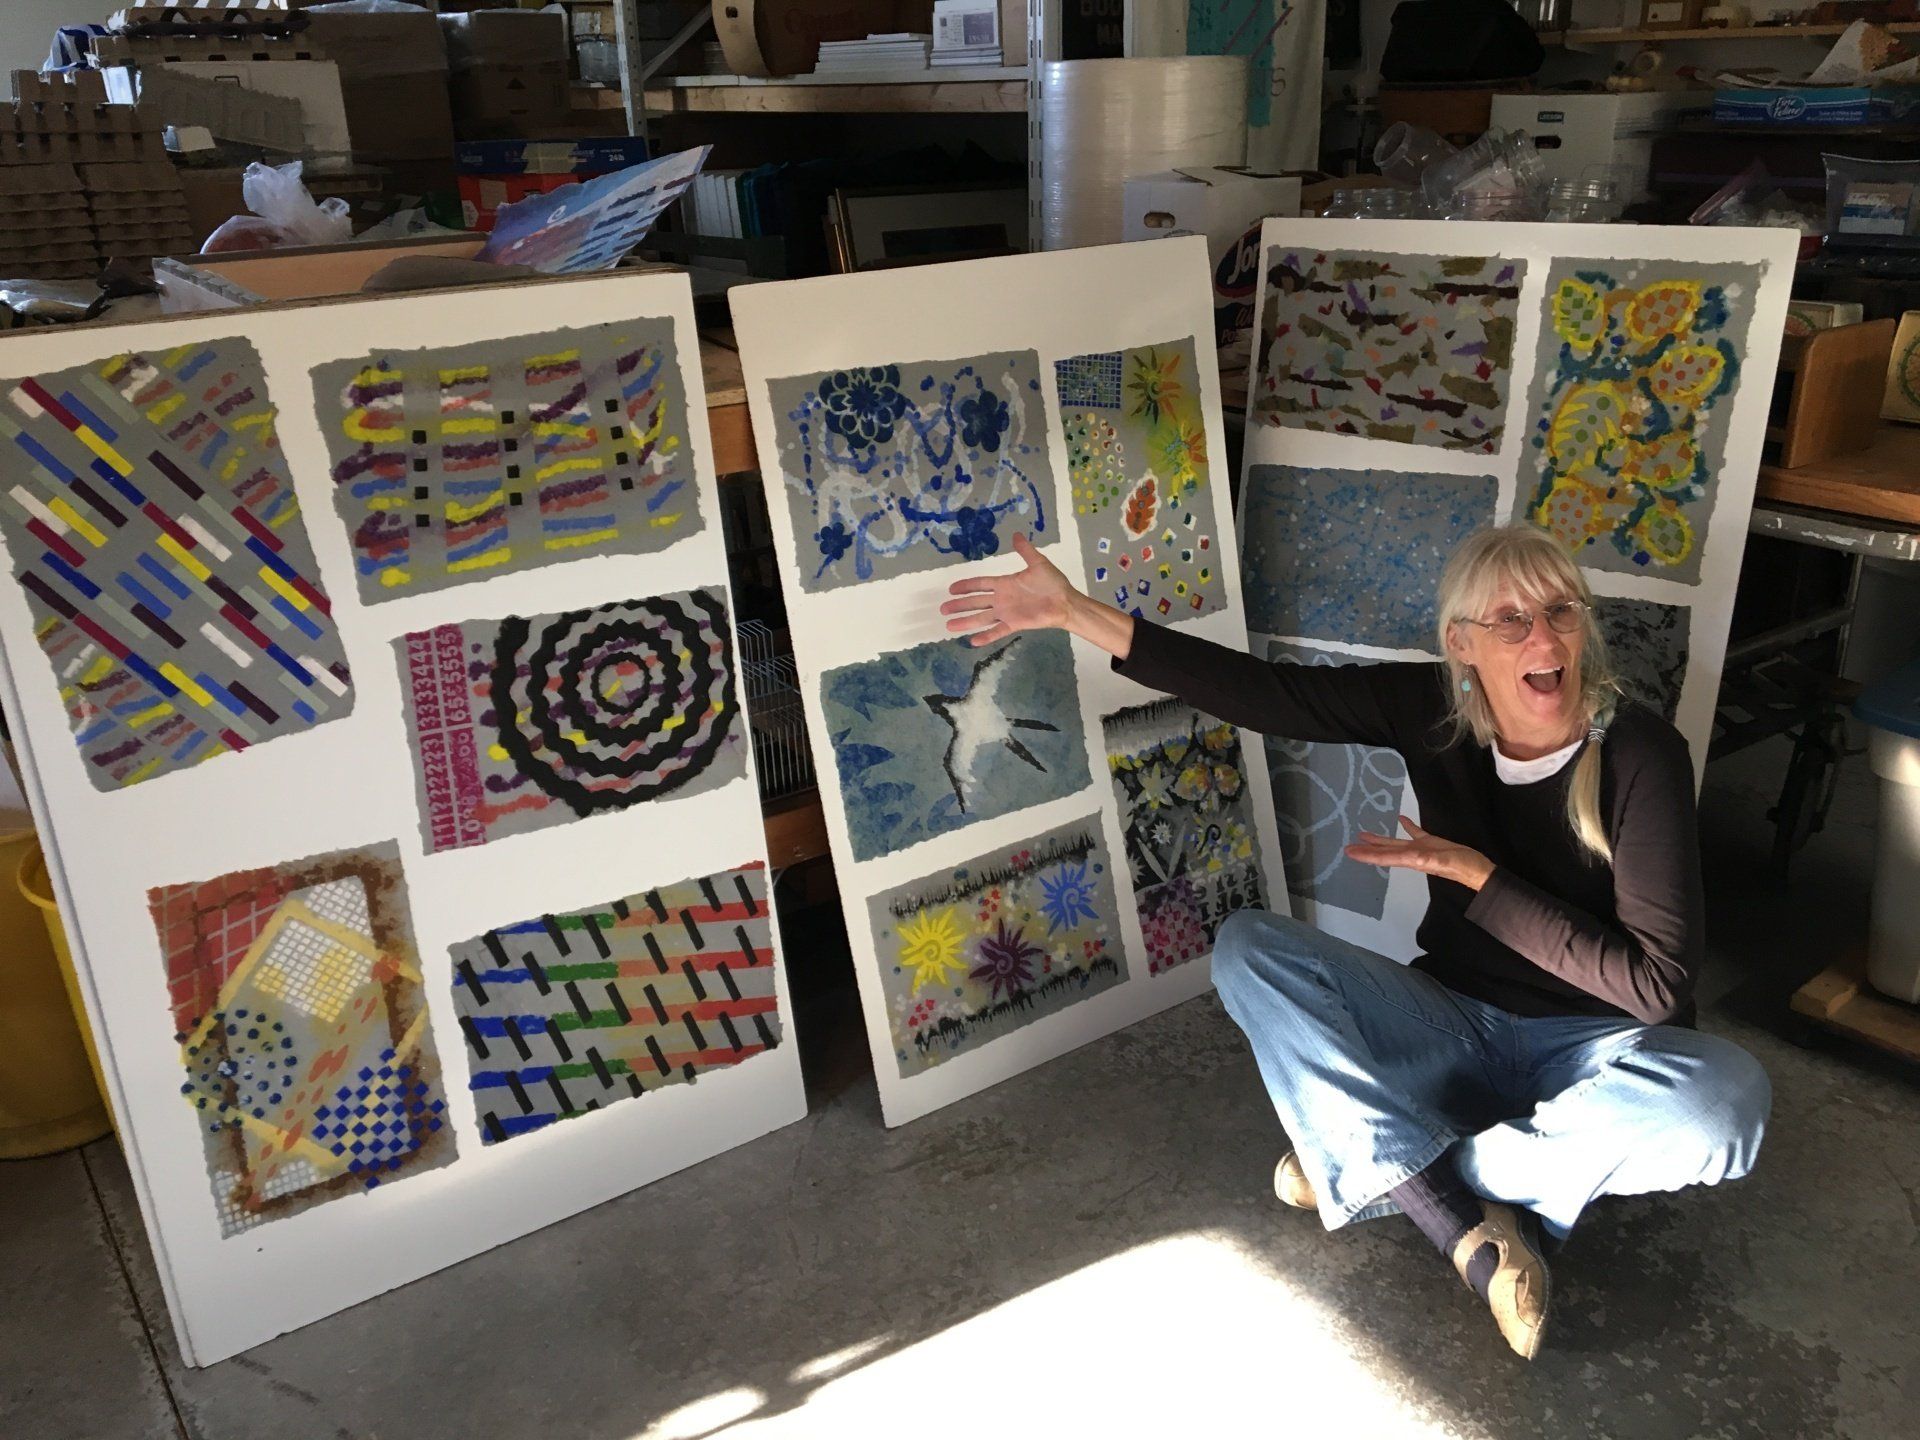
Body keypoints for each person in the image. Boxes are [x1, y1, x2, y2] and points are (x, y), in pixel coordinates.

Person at [940, 524, 1770, 1360]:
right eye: (1511, 620)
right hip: (1453, 1024)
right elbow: (1265, 693)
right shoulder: (1433, 708)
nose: (1545, 640)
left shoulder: (1640, 753)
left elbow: (1656, 986)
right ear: (1462, 644)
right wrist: (1075, 612)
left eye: (1561, 611)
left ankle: (1387, 1161)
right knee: (1248, 949)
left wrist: (1480, 878)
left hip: (1596, 1052)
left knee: (1725, 1104)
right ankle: (1450, 1211)